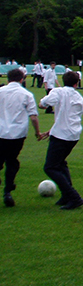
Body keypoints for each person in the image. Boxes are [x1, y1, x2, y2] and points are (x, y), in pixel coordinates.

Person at [39, 71, 83, 210]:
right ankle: (66, 195)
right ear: (76, 83)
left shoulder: (58, 92)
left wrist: (42, 104)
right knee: (61, 164)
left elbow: (44, 103)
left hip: (61, 136)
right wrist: (51, 130)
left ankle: (74, 197)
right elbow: (69, 117)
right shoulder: (79, 97)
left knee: (50, 167)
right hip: (73, 135)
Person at [0, 68, 42, 207]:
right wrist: (37, 132)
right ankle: (8, 190)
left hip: (0, 133)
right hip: (17, 134)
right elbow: (33, 117)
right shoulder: (26, 94)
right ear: (22, 79)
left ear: (7, 79)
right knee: (12, 161)